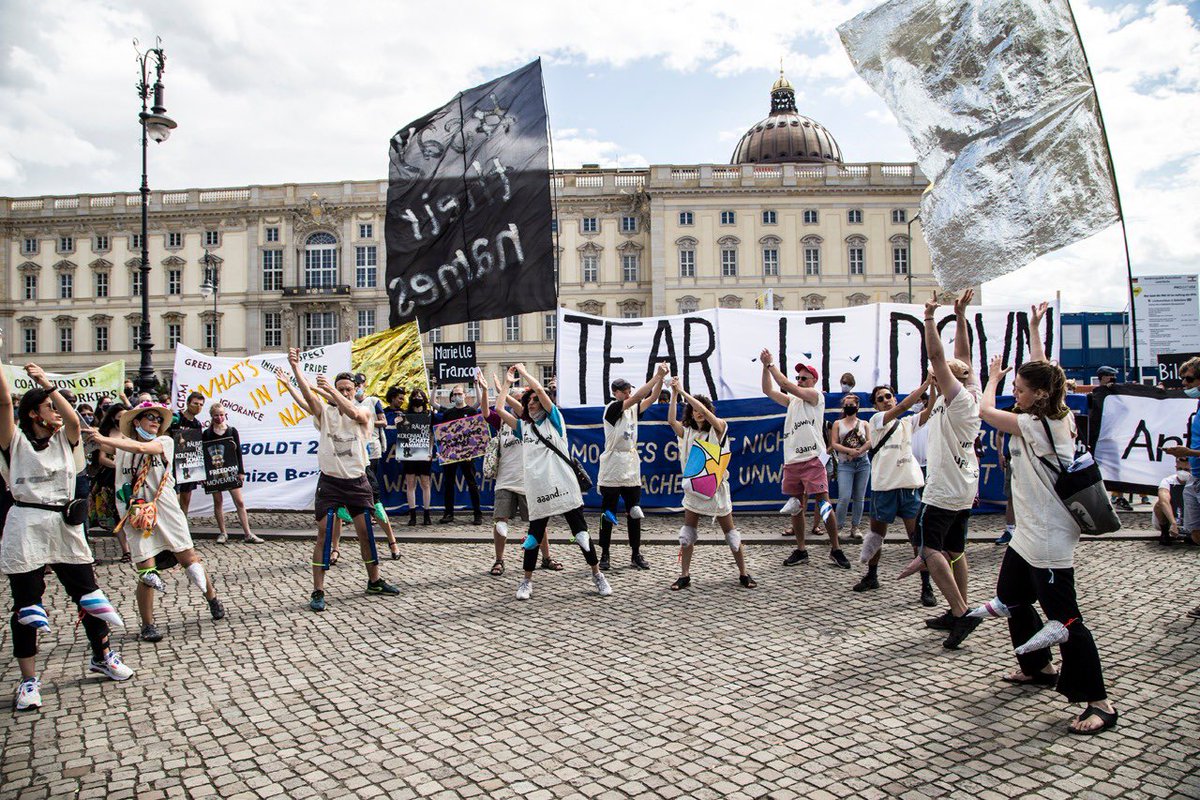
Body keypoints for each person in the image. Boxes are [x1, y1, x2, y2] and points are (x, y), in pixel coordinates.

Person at [980, 354, 1118, 734]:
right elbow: (1046, 371)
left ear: (1039, 395)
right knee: (1012, 596)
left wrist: (992, 377)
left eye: (1020, 389)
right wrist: (1037, 330)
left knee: (1067, 619)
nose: (1015, 393)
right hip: (1027, 534)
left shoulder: (1036, 423)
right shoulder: (1054, 413)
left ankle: (1099, 702)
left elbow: (985, 410)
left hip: (1048, 536)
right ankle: (1039, 667)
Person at [1, 362, 134, 712]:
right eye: (49, 406)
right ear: (32, 414)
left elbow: (74, 420)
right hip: (27, 523)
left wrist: (48, 384)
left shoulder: (65, 438)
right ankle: (29, 681)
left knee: (89, 594)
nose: (57, 411)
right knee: (27, 605)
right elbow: (3, 404)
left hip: (64, 524)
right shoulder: (13, 441)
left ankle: (102, 655)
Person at [90, 401, 227, 642]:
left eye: (158, 418)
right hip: (138, 515)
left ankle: (212, 597)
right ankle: (148, 625)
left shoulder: (165, 442)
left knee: (190, 560)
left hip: (165, 508)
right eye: (149, 417)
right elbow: (116, 470)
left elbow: (142, 449)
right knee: (147, 571)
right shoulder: (123, 449)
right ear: (136, 422)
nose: (155, 421)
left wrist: (105, 440)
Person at [279, 354, 401, 611]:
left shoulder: (364, 411)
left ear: (356, 390)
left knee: (365, 532)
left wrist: (332, 390)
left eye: (348, 389)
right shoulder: (325, 412)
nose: (344, 392)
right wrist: (295, 369)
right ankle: (318, 590)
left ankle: (374, 580)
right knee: (324, 533)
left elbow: (353, 410)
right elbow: (308, 399)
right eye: (341, 388)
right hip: (331, 482)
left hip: (356, 480)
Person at [493, 363, 611, 601]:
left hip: (564, 485)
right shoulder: (523, 427)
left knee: (581, 533)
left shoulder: (554, 421)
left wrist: (525, 374)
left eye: (537, 400)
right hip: (538, 489)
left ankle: (597, 575)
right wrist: (506, 383)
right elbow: (498, 407)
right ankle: (526, 581)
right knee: (533, 537)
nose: (534, 403)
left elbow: (542, 392)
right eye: (530, 401)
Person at [911, 290, 982, 649]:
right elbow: (962, 357)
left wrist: (928, 319)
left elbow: (940, 356)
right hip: (963, 488)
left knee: (928, 549)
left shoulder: (957, 400)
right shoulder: (971, 391)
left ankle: (960, 611)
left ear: (942, 380)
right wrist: (960, 316)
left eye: (935, 377)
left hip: (945, 490)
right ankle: (958, 610)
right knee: (955, 550)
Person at [760, 350, 850, 569]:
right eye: (798, 377)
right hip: (792, 461)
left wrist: (771, 364)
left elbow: (787, 385)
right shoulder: (792, 402)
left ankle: (836, 548)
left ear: (813, 381)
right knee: (796, 507)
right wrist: (764, 368)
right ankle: (801, 550)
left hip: (812, 459)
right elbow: (768, 390)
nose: (799, 380)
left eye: (803, 378)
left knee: (824, 503)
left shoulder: (816, 396)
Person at [666, 377, 755, 590]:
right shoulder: (687, 431)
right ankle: (684, 575)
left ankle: (744, 572)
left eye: (702, 409)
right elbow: (671, 421)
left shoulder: (719, 428)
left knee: (732, 535)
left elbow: (707, 414)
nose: (698, 412)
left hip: (715, 489)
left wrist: (683, 391)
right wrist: (674, 394)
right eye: (694, 409)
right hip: (693, 488)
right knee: (687, 534)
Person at [856, 379, 933, 598]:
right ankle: (872, 575)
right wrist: (926, 383)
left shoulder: (908, 423)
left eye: (888, 396)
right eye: (880, 399)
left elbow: (930, 410)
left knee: (916, 538)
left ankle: (926, 586)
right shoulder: (876, 421)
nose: (885, 401)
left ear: (894, 397)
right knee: (876, 535)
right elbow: (902, 408)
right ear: (876, 406)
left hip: (908, 487)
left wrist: (934, 387)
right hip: (884, 488)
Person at [479, 371, 561, 575]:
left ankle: (546, 557)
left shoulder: (531, 422)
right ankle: (499, 560)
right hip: (505, 481)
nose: (519, 405)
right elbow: (488, 413)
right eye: (516, 401)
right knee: (500, 521)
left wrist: (503, 389)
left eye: (520, 402)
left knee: (538, 523)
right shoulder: (504, 423)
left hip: (528, 482)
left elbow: (521, 409)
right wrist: (488, 389)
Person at [597, 365, 668, 571]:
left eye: (629, 390)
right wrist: (656, 376)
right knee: (607, 513)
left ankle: (636, 553)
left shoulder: (632, 410)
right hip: (612, 464)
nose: (628, 394)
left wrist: (660, 381)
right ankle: (605, 553)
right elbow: (637, 397)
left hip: (630, 465)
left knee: (634, 512)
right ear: (615, 393)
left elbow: (651, 398)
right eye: (624, 391)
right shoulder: (612, 408)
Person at [1163, 355, 1200, 619]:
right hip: (1195, 479)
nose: (1185, 384)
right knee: (1195, 534)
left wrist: (1189, 452)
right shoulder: (1198, 407)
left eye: (1189, 379)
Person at [202, 403, 264, 545]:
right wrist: (204, 476)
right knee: (218, 502)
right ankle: (223, 533)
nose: (219, 417)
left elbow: (238, 452)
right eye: (216, 415)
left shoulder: (232, 431)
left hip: (231, 471)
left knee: (240, 502)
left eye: (222, 414)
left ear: (225, 415)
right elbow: (204, 455)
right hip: (214, 473)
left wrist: (241, 471)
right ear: (212, 416)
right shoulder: (206, 434)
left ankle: (248, 533)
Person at [87, 404, 129, 561]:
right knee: (116, 513)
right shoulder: (106, 433)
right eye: (119, 418)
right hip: (111, 477)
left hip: (128, 476)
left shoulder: (131, 432)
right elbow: (102, 458)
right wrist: (117, 465)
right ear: (113, 418)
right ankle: (126, 550)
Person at [437, 384, 484, 525]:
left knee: (472, 483)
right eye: (455, 394)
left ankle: (477, 514)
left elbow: (476, 431)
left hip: (467, 453)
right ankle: (448, 513)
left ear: (465, 395)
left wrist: (472, 451)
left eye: (460, 393)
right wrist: (443, 452)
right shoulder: (448, 413)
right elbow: (443, 434)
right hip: (451, 453)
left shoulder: (471, 411)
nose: (458, 396)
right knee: (449, 483)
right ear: (452, 397)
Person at [829, 393, 870, 541]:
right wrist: (849, 451)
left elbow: (870, 442)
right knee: (844, 497)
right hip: (845, 464)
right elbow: (834, 443)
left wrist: (859, 451)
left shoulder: (864, 424)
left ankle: (855, 527)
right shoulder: (838, 424)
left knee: (859, 497)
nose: (849, 407)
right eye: (846, 405)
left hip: (862, 463)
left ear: (857, 406)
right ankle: (838, 527)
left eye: (852, 405)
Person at [402, 387, 435, 526]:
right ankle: (413, 515)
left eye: (420, 395)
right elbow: (402, 434)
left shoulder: (429, 415)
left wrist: (430, 451)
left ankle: (427, 514)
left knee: (425, 484)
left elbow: (432, 435)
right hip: (409, 453)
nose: (418, 397)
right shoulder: (405, 415)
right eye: (415, 395)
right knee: (410, 484)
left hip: (424, 452)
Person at [172, 391, 205, 515]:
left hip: (189, 464)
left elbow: (197, 446)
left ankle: (183, 524)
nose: (198, 407)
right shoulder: (176, 418)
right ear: (188, 403)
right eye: (195, 403)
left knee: (186, 499)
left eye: (201, 404)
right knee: (175, 496)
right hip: (174, 463)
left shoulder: (197, 424)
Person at [1153, 456, 1192, 546]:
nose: (1183, 472)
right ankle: (1165, 532)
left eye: (1186, 469)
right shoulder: (1168, 481)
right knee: (1159, 504)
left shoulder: (1196, 481)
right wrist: (1173, 523)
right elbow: (1163, 501)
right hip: (1171, 519)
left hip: (1190, 517)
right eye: (1180, 469)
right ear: (1176, 467)